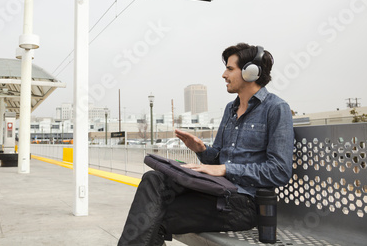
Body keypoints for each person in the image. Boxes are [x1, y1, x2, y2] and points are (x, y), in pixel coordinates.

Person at [117, 43, 294, 246]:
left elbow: (280, 171)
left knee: (150, 219)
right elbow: (217, 157)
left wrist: (225, 169)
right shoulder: (230, 109)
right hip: (216, 191)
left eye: (229, 68)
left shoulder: (276, 108)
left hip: (243, 203)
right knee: (153, 178)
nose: (223, 75)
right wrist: (201, 150)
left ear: (250, 72)